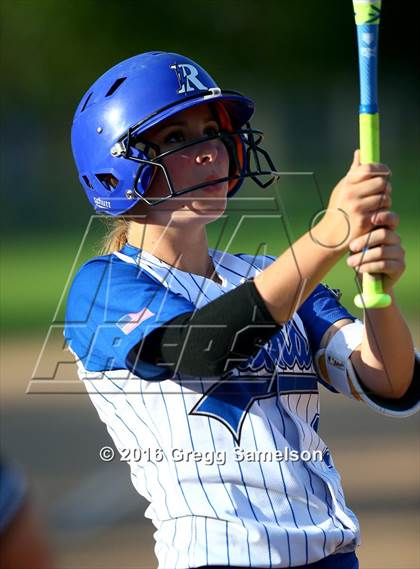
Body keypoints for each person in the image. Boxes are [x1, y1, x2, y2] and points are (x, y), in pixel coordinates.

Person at [65, 51, 419, 569]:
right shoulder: (105, 284)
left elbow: (389, 380)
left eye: (212, 131)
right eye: (177, 138)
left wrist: (377, 291)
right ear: (117, 168)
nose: (210, 150)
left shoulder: (269, 273)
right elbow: (204, 347)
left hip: (334, 558)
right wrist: (327, 236)